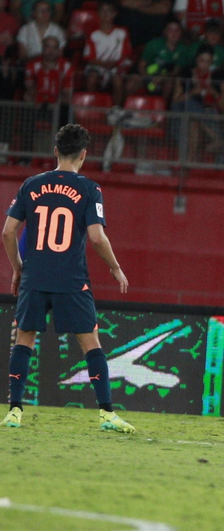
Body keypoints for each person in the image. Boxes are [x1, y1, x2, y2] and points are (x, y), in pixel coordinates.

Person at [1, 124, 132, 432]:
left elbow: (7, 232)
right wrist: (114, 267)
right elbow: (97, 238)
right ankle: (107, 414)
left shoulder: (31, 185)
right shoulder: (89, 189)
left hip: (34, 277)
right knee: (90, 343)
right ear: (84, 155)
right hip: (71, 280)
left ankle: (15, 411)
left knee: (24, 339)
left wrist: (19, 268)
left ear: (55, 150)